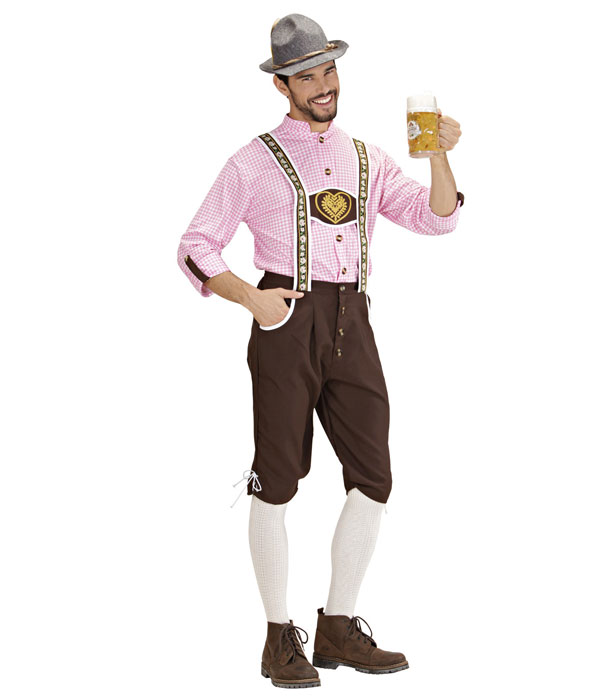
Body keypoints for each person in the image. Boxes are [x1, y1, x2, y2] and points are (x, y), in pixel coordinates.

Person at [176, 13, 463, 690]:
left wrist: (439, 155)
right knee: (277, 479)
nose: (324, 85)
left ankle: (337, 625)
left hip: (352, 321)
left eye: (329, 70)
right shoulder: (252, 161)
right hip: (286, 320)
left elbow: (437, 218)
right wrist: (252, 298)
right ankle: (278, 638)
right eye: (307, 76)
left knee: (374, 477)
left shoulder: (367, 157)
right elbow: (195, 244)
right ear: (282, 85)